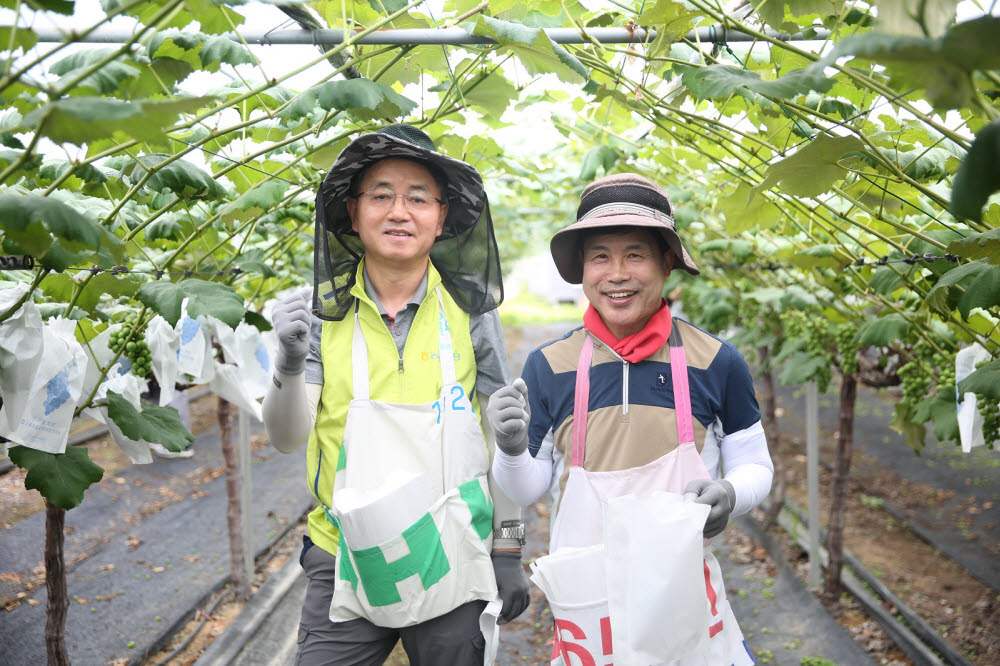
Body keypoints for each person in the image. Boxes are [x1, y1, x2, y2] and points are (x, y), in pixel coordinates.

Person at [262, 124, 529, 666]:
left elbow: (505, 442)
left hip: (455, 552)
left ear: (442, 217)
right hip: (344, 555)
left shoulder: (471, 312)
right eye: (381, 195)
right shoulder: (321, 314)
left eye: (417, 198)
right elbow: (287, 437)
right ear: (353, 214)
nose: (399, 212)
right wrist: (289, 365)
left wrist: (507, 545)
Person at [486, 173, 773, 664]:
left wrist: (731, 493)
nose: (616, 273)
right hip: (587, 604)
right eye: (600, 256)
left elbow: (755, 466)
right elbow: (526, 489)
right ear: (582, 268)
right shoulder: (549, 365)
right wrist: (511, 450)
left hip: (683, 595)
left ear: (666, 262)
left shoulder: (715, 360)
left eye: (635, 254)